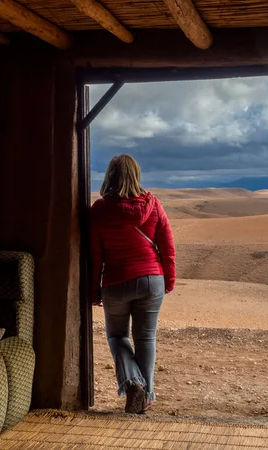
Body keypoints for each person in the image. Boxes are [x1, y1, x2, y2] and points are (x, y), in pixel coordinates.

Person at [90, 154, 176, 414]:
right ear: (136, 175)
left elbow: (95, 255)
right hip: (152, 280)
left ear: (110, 176)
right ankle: (147, 394)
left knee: (117, 336)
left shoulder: (100, 210)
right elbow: (167, 247)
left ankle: (133, 385)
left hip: (116, 282)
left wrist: (94, 289)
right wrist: (168, 280)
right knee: (145, 338)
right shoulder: (153, 204)